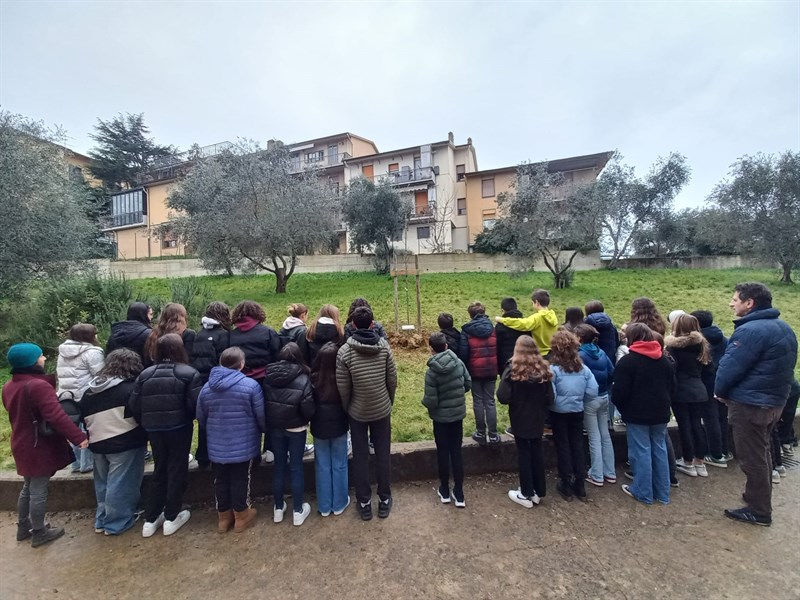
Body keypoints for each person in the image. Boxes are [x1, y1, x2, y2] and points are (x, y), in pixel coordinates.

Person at [715, 282, 798, 526]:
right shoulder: (783, 328)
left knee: (753, 458)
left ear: (749, 303)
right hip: (774, 402)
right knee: (762, 451)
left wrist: (720, 391)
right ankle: (756, 496)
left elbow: (729, 368)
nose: (731, 303)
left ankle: (759, 510)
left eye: (735, 299)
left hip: (751, 404)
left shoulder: (750, 331)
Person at [2, 343, 88, 547]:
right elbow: (56, 415)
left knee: (28, 486)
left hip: (21, 442)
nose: (44, 359)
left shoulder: (9, 386)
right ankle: (39, 531)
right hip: (38, 445)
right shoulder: (38, 386)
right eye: (40, 356)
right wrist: (79, 437)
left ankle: (23, 527)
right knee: (39, 489)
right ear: (31, 362)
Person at [130, 334, 203, 537]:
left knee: (159, 468)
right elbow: (196, 403)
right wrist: (187, 417)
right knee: (176, 468)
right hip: (179, 427)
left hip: (154, 429)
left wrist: (147, 421)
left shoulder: (145, 374)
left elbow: (135, 404)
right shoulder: (188, 373)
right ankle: (172, 515)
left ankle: (151, 518)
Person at [336, 306, 397, 520]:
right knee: (383, 454)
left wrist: (349, 407)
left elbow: (343, 388)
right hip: (381, 409)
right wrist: (388, 401)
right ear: (373, 324)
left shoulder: (344, 352)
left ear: (352, 325)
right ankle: (385, 499)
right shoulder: (385, 348)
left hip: (357, 411)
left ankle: (364, 501)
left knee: (360, 456)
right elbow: (392, 380)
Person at [196, 346, 265, 533]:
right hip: (243, 442)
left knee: (221, 478)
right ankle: (241, 514)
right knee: (241, 477)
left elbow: (201, 417)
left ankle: (223, 517)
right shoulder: (251, 386)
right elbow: (260, 416)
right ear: (241, 364)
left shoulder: (206, 388)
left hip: (217, 443)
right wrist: (261, 430)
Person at [80, 349, 148, 536]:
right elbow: (139, 414)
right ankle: (117, 523)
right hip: (125, 441)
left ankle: (101, 520)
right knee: (122, 483)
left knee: (102, 483)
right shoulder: (130, 389)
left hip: (97, 441)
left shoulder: (89, 391)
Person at [612, 324, 675, 505]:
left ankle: (643, 492)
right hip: (661, 412)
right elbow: (672, 387)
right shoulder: (664, 360)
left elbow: (619, 392)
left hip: (637, 414)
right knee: (659, 449)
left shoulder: (628, 362)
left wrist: (624, 409)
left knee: (641, 452)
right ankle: (663, 493)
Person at [263, 342, 315, 527]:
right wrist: (304, 419)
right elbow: (308, 406)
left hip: (275, 427)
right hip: (296, 428)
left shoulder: (268, 377)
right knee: (295, 467)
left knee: (278, 465)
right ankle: (298, 511)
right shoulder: (304, 377)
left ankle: (278, 508)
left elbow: (265, 402)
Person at [497, 336, 553, 508]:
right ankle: (537, 490)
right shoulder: (544, 369)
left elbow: (503, 396)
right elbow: (550, 397)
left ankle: (526, 493)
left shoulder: (512, 369)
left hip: (520, 417)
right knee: (536, 451)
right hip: (537, 418)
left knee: (524, 453)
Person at [548, 330, 598, 502]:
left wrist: (556, 405)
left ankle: (566, 482)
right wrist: (580, 400)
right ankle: (580, 484)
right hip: (577, 411)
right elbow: (593, 390)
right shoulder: (583, 369)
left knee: (563, 445)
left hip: (559, 413)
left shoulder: (553, 369)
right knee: (577, 444)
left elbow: (551, 395)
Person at [422, 332, 471, 507]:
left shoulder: (431, 372)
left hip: (440, 419)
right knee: (456, 452)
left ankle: (444, 489)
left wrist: (427, 404)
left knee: (443, 452)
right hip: (457, 416)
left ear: (431, 349)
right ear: (446, 346)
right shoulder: (459, 363)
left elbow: (431, 400)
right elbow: (467, 383)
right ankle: (459, 493)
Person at [229, 300, 281, 463]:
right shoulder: (267, 332)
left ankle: (250, 451)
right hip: (264, 380)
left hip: (240, 382)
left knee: (246, 417)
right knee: (268, 413)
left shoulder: (232, 335)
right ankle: (270, 449)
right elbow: (277, 354)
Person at [666, 314, 713, 478]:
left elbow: (671, 369)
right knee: (697, 425)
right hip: (699, 390)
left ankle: (688, 461)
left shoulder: (673, 347)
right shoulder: (702, 345)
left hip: (681, 391)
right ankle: (700, 462)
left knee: (684, 425)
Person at [189, 301, 232, 470]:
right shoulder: (224, 336)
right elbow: (224, 361)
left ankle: (203, 455)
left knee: (204, 420)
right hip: (217, 382)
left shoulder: (198, 334)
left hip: (200, 382)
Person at [56, 323, 104, 473]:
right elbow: (100, 374)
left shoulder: (63, 351)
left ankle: (76, 464)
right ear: (89, 336)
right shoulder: (93, 352)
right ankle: (87, 464)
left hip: (67, 395)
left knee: (73, 428)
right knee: (88, 429)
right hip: (86, 394)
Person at [310, 342, 350, 517]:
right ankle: (339, 502)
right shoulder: (342, 379)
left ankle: (325, 505)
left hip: (319, 427)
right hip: (339, 425)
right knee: (339, 463)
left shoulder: (312, 379)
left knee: (322, 465)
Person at [574, 324, 616, 486]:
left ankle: (597, 474)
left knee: (594, 436)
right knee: (605, 434)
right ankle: (610, 472)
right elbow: (612, 372)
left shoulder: (580, 355)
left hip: (590, 400)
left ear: (579, 338)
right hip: (604, 396)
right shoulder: (602, 352)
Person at [457, 301, 499, 445]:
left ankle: (481, 432)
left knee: (478, 401)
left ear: (470, 314)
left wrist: (465, 371)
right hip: (491, 369)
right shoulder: (494, 329)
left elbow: (463, 353)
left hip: (474, 371)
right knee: (490, 401)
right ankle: (493, 434)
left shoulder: (466, 331)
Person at [691, 310, 729, 465]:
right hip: (723, 382)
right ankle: (724, 451)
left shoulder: (699, 342)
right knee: (722, 418)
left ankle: (716, 455)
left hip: (707, 384)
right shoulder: (723, 338)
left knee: (710, 419)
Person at [495, 289, 558, 356]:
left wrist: (502, 320)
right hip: (552, 352)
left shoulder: (537, 318)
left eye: (532, 303)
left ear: (537, 302)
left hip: (540, 354)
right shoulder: (553, 316)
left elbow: (522, 324)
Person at [143, 303, 196, 368]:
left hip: (156, 373)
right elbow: (189, 359)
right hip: (180, 373)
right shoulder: (188, 334)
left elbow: (148, 359)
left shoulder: (154, 334)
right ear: (182, 317)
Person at [495, 297, 531, 374]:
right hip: (524, 362)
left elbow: (497, 346)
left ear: (502, 310)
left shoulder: (499, 327)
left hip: (506, 364)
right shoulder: (525, 325)